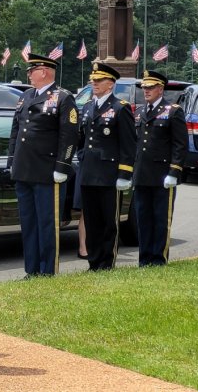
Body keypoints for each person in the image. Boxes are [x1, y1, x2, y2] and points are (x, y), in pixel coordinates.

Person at [7, 53, 80, 277]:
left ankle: (48, 271)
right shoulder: (26, 96)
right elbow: (16, 131)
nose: (28, 74)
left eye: (32, 70)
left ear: (44, 72)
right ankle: (32, 270)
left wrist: (62, 166)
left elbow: (70, 136)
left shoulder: (63, 97)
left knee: (47, 225)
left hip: (47, 171)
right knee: (28, 224)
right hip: (24, 170)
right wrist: (12, 161)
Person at [77, 62, 136, 271]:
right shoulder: (87, 106)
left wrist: (124, 174)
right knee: (92, 221)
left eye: (99, 80)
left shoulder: (120, 107)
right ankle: (93, 262)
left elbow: (129, 145)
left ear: (110, 84)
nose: (95, 83)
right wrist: (81, 156)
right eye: (93, 80)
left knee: (108, 221)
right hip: (89, 172)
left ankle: (106, 262)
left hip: (109, 173)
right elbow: (81, 138)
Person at [132, 70, 188, 267]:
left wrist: (174, 171)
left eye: (150, 87)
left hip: (162, 175)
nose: (145, 90)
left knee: (161, 219)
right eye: (144, 87)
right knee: (143, 219)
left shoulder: (173, 111)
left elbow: (180, 145)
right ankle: (144, 258)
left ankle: (158, 258)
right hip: (141, 174)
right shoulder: (138, 112)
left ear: (160, 89)